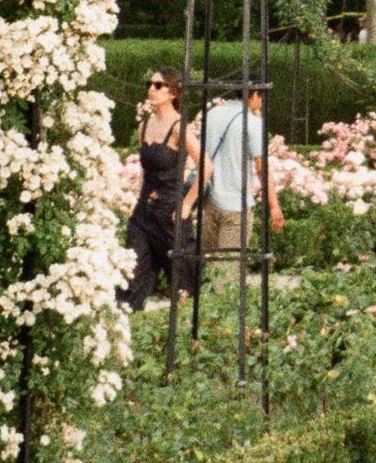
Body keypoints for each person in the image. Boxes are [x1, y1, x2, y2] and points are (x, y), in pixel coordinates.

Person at [121, 70, 190, 308]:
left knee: (182, 282)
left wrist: (187, 204)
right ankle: (126, 329)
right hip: (143, 213)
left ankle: (184, 338)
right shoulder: (144, 126)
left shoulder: (180, 127)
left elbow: (207, 166)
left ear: (173, 92)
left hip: (170, 214)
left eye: (158, 85)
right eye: (149, 83)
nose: (151, 88)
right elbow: (145, 170)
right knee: (130, 274)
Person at [193, 80, 286, 257]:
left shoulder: (212, 115)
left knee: (202, 267)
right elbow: (262, 168)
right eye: (262, 97)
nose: (261, 103)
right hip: (236, 205)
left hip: (208, 202)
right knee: (227, 273)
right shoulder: (252, 122)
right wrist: (274, 206)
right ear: (255, 94)